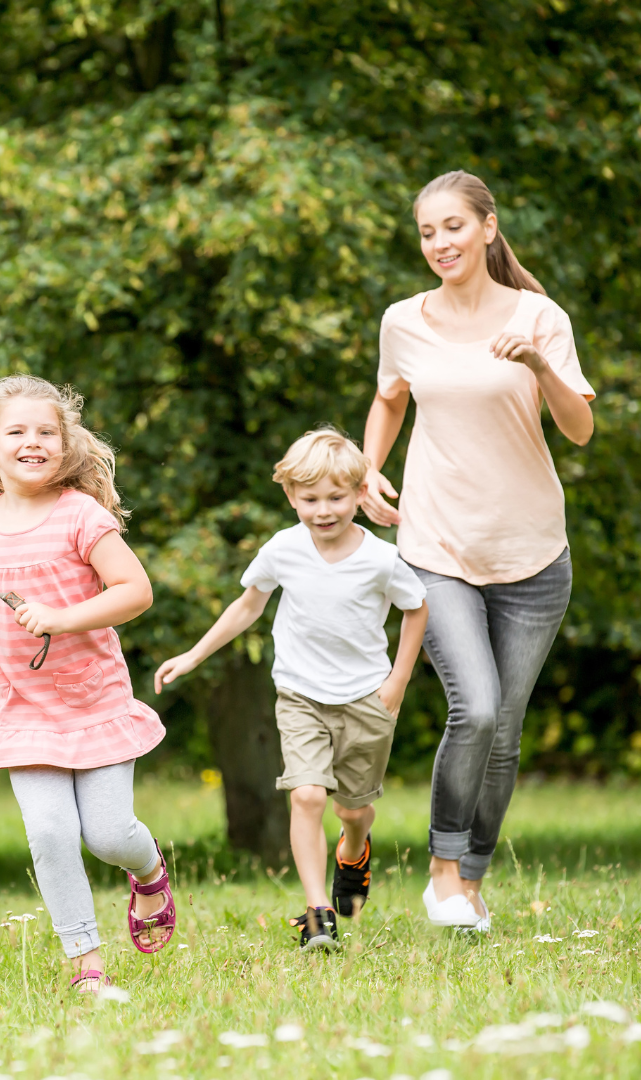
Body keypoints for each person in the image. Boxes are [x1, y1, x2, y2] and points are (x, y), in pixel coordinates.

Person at [361, 170, 594, 930]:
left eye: (453, 227)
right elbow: (389, 397)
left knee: (508, 729)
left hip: (532, 553)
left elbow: (580, 429)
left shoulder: (538, 316)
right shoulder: (405, 320)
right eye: (427, 232)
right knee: (479, 708)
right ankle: (442, 871)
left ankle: (473, 878)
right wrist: (369, 469)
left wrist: (536, 363)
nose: (440, 244)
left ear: (489, 228)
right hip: (437, 543)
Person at [0, 374, 173, 992]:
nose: (32, 442)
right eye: (16, 431)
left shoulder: (80, 514)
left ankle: (148, 870)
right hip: (23, 710)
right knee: (48, 833)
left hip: (93, 701)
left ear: (65, 446)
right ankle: (84, 966)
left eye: (47, 432)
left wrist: (63, 618)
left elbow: (135, 591)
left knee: (108, 834)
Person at [155, 428, 428, 950]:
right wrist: (192, 655)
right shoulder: (283, 548)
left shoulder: (380, 558)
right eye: (310, 499)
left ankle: (355, 850)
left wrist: (397, 681)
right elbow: (248, 606)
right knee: (305, 795)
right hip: (300, 694)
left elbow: (417, 608)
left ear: (358, 494)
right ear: (290, 497)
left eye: (336, 498)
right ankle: (317, 910)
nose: (323, 510)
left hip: (367, 699)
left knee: (352, 809)